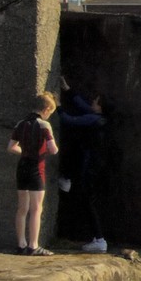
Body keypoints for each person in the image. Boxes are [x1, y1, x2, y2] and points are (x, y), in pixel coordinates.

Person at [57, 87, 110, 253]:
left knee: (88, 202)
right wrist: (68, 90)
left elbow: (70, 120)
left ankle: (99, 239)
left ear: (100, 107)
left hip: (90, 168)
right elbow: (84, 107)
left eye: (95, 101)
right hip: (97, 167)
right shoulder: (103, 119)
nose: (92, 102)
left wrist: (57, 106)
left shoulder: (94, 120)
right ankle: (66, 178)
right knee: (88, 201)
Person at [8, 92, 60, 256]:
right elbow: (53, 149)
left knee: (22, 208)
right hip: (37, 168)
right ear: (46, 109)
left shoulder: (20, 124)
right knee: (36, 209)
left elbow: (11, 147)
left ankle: (21, 244)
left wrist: (25, 151)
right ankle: (33, 245)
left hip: (22, 166)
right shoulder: (44, 125)